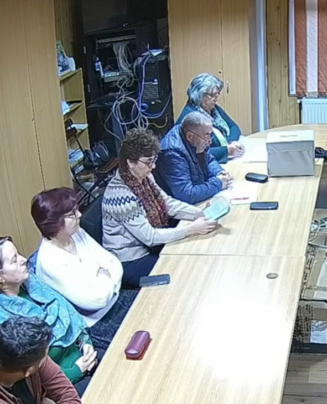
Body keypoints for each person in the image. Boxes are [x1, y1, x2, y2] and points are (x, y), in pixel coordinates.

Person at [102, 128, 218, 287]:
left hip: (148, 247)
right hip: (129, 259)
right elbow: (149, 237)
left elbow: (167, 203)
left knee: (192, 255)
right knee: (182, 274)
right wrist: (191, 229)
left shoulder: (144, 177)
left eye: (154, 159)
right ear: (130, 162)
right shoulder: (120, 196)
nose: (154, 166)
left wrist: (199, 213)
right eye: (148, 162)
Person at [31, 188, 128, 350]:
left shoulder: (77, 233)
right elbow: (96, 300)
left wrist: (99, 282)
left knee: (156, 305)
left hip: (116, 299)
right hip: (98, 323)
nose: (79, 215)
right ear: (53, 223)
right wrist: (104, 275)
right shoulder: (50, 260)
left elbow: (115, 264)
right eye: (72, 214)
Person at [0, 237, 99, 393]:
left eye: (19, 254)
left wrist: (86, 343)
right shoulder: (5, 324)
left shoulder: (32, 283)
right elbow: (30, 373)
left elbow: (69, 314)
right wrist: (76, 371)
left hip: (84, 354)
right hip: (62, 384)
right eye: (14, 260)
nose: (24, 259)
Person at [156, 111, 234, 205]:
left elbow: (209, 160)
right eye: (206, 135)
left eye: (210, 134)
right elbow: (186, 195)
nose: (210, 141)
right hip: (180, 208)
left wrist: (219, 172)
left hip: (198, 198)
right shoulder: (172, 154)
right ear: (190, 136)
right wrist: (218, 183)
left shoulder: (197, 138)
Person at [176, 73, 244, 164]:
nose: (216, 99)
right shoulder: (192, 118)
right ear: (199, 94)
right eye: (212, 95)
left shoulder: (213, 109)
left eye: (217, 94)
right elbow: (194, 153)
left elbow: (233, 126)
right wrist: (226, 151)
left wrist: (232, 142)